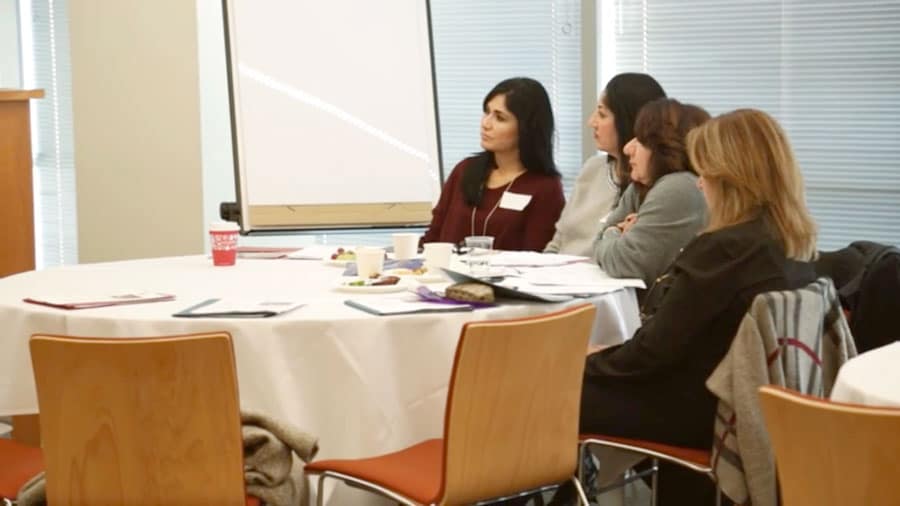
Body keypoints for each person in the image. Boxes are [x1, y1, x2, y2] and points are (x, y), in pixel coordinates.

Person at [578, 109, 819, 504]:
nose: (700, 183)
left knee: (543, 391)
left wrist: (586, 359)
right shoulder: (792, 247)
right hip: (744, 410)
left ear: (729, 178)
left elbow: (650, 353)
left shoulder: (722, 252)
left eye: (704, 171)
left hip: (694, 410)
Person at [421, 77, 565, 251]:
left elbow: (538, 257)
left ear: (526, 128)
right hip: (446, 269)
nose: (485, 124)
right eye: (486, 112)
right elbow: (433, 238)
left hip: (510, 270)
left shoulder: (545, 188)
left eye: (500, 118)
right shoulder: (465, 170)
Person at [545, 73, 666, 256]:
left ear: (629, 120)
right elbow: (558, 240)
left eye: (602, 114)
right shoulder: (593, 168)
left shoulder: (658, 187)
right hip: (557, 270)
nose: (591, 122)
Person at [594, 98, 710, 288]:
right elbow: (597, 243)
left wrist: (613, 232)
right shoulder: (641, 185)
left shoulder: (680, 186)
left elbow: (625, 262)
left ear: (666, 148)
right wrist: (615, 234)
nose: (627, 149)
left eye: (641, 140)